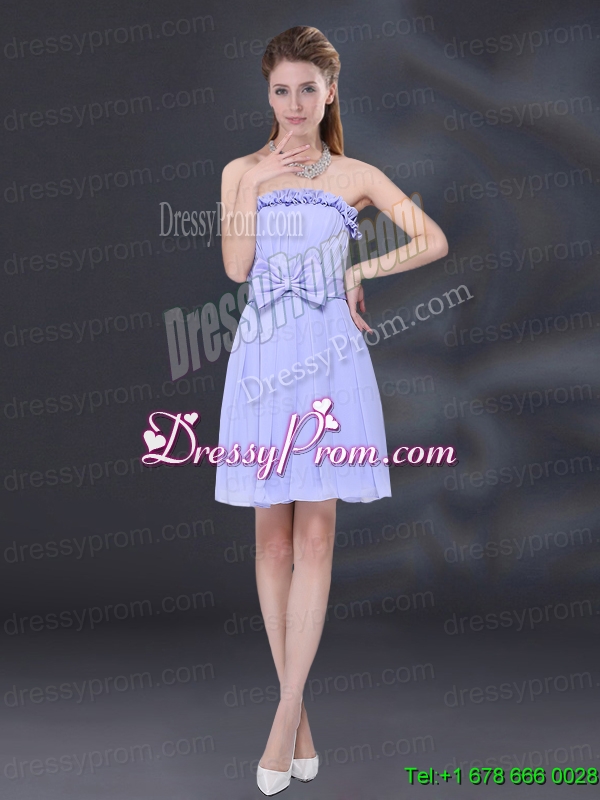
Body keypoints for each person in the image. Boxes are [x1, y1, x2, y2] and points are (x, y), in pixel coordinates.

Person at [214, 25, 448, 795]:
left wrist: (360, 269)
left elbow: (432, 240)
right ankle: (300, 722)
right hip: (263, 359)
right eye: (281, 90)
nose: (293, 104)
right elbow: (237, 268)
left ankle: (283, 720)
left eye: (307, 90)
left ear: (330, 92)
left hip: (328, 360)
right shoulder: (241, 171)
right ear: (268, 94)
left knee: (315, 540)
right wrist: (255, 180)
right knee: (272, 544)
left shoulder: (355, 174)